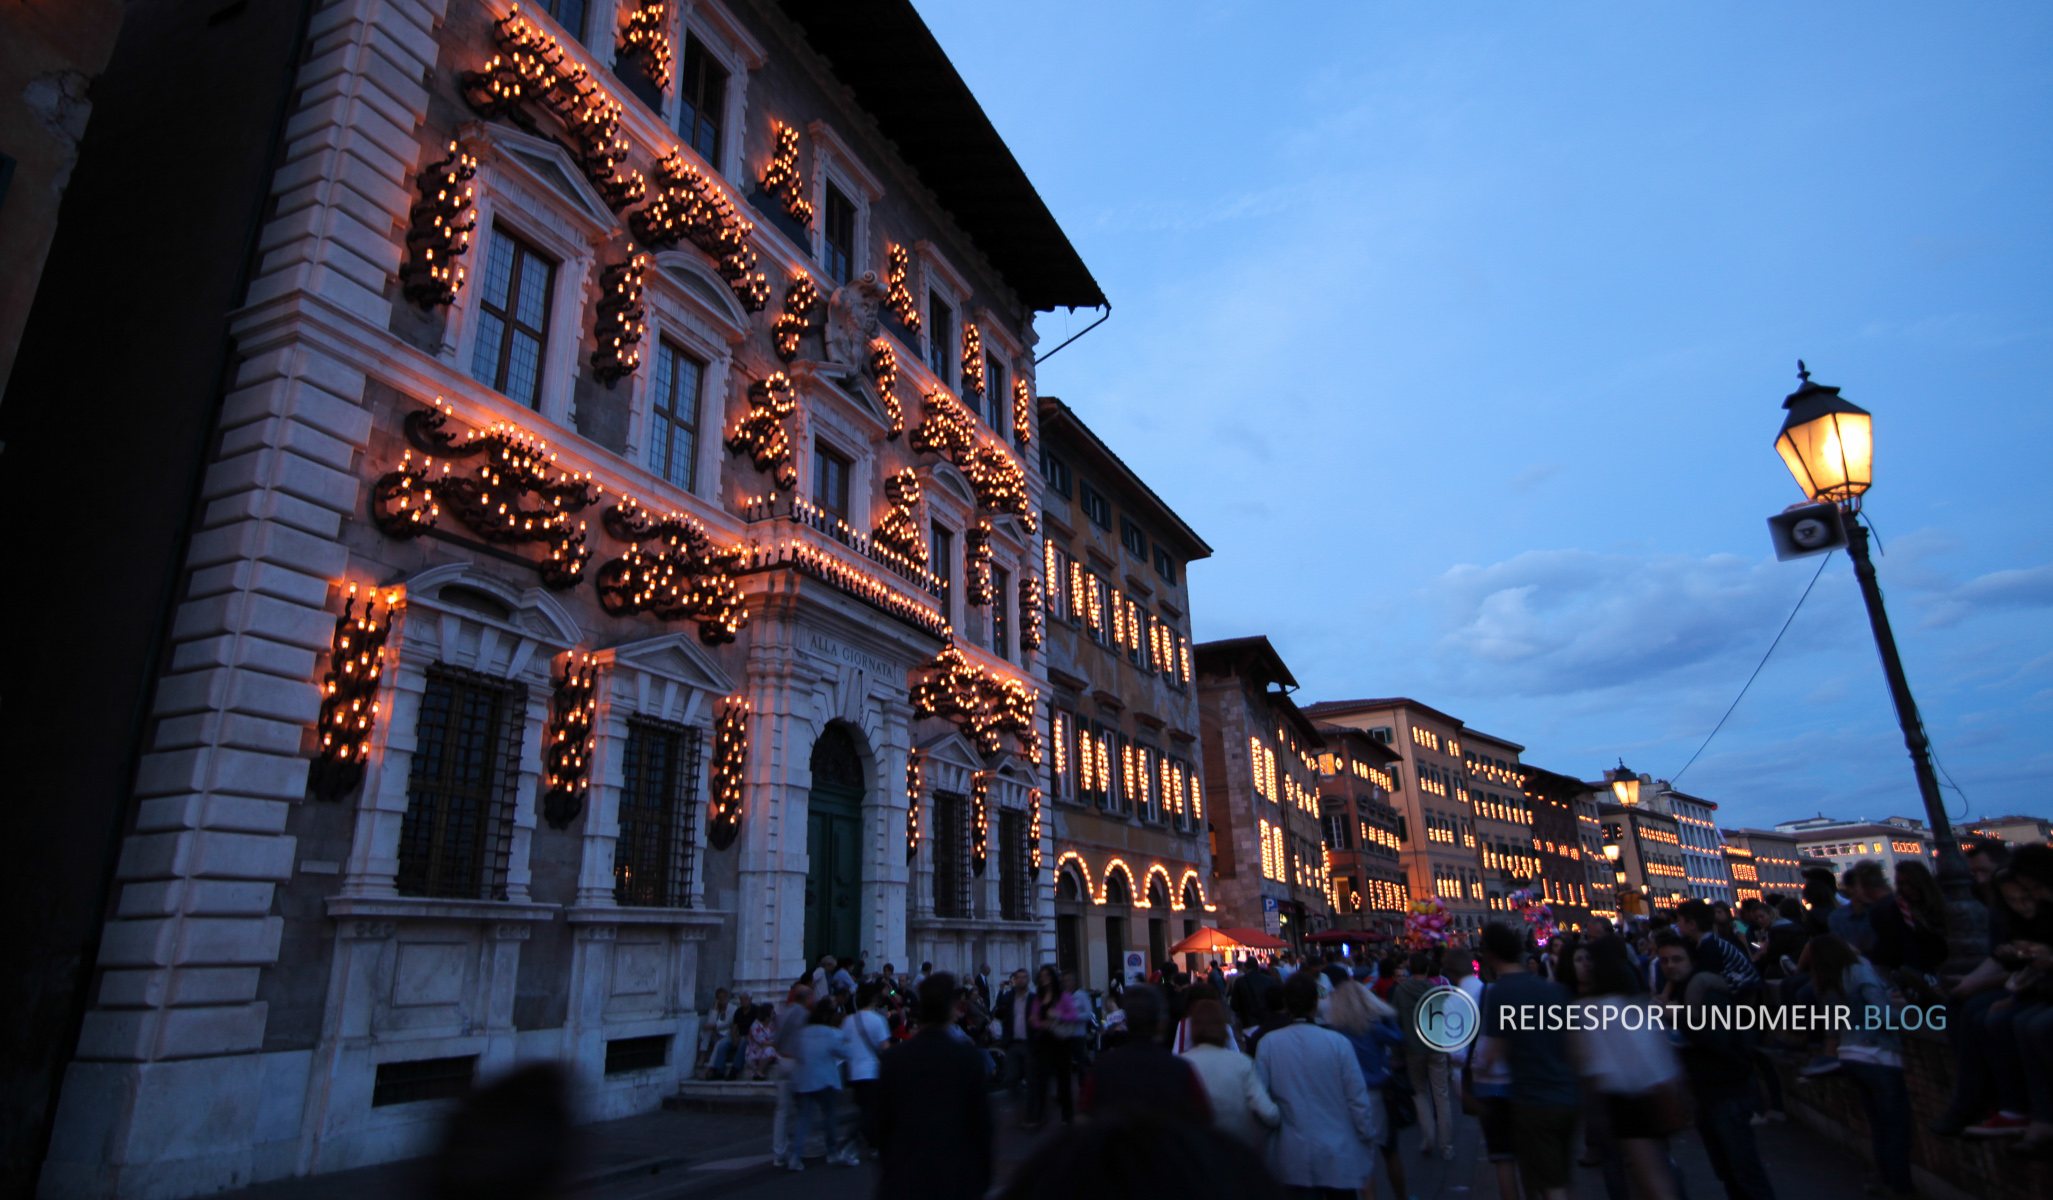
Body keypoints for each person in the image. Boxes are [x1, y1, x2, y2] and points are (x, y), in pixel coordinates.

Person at [1655, 932, 1778, 1200]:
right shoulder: (1681, 990)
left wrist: (1678, 1018)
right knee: (1728, 1171)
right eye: (1664, 960)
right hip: (1706, 1092)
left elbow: (1718, 1039)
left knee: (1744, 1172)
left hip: (1726, 1091)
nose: (1670, 965)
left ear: (1692, 960)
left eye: (1677, 959)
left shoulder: (1706, 990)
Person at [1571, 937, 1683, 1200]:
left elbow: (1584, 1059)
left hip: (1624, 1097)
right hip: (1643, 1091)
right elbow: (1652, 1052)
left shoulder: (1589, 1007)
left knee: (1649, 1175)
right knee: (1654, 1171)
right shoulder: (1629, 1004)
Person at [1476, 922, 1578, 1200]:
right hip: (1567, 1094)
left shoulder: (1501, 993)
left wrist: (1473, 1075)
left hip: (1534, 1098)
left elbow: (1492, 1053)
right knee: (1558, 1175)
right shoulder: (1553, 989)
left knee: (1549, 1183)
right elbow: (1575, 1044)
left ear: (1489, 954)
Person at [1256, 971, 1381, 1197]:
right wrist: (1366, 1135)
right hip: (1338, 1153)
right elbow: (1356, 1098)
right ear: (1316, 1003)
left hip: (1291, 1156)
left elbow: (1261, 1101)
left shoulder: (1268, 1044)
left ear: (1286, 1004)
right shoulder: (1338, 1043)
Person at [1806, 935, 1913, 1197]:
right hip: (1877, 1054)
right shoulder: (1859, 970)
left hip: (1850, 1055)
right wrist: (1917, 1015)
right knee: (1897, 1128)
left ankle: (1886, 1181)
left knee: (1878, 1127)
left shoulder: (1826, 981)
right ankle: (1900, 1187)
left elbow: (1833, 1026)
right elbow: (1883, 1014)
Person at [875, 973, 992, 1200]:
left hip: (904, 1181)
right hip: (953, 1180)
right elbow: (981, 1128)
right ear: (949, 1009)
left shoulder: (894, 1059)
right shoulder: (967, 1059)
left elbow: (883, 1127)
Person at [1082, 985, 1211, 1122]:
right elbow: (1203, 1117)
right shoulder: (1180, 1070)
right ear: (1161, 1024)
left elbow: (1084, 1117)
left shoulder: (1103, 1068)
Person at [1327, 979, 1406, 1200]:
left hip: (1350, 1095)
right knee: (1390, 1151)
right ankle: (1401, 1196)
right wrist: (1386, 1015)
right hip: (1379, 1091)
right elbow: (1398, 1037)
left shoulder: (1337, 1030)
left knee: (1362, 1157)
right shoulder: (1373, 1026)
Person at [1182, 997, 1279, 1147]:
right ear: (1223, 1026)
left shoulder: (1182, 1063)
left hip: (1195, 1150)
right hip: (1236, 1148)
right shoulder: (1241, 1062)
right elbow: (1269, 1113)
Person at [1390, 951, 1454, 1161]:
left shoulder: (1401, 991)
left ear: (1410, 969)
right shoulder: (1435, 991)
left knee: (1419, 1093)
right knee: (1441, 1095)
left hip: (1413, 1048)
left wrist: (1396, 1053)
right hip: (1435, 1047)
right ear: (1427, 970)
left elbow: (1396, 1022)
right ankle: (1447, 1146)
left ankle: (1428, 1138)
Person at [784, 998, 857, 1170]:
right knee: (829, 1116)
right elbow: (845, 1052)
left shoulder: (802, 1033)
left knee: (804, 1119)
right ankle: (832, 1152)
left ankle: (796, 1156)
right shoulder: (829, 1033)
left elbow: (795, 1052)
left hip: (804, 1080)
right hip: (825, 1079)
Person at [1026, 966, 1078, 1128]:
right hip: (1044, 1041)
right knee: (1042, 1079)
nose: (1044, 978)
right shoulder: (1038, 998)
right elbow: (1034, 1019)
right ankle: (1040, 1116)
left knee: (1064, 1080)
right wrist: (1040, 1024)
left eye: (1047, 975)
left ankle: (1067, 1115)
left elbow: (1073, 1015)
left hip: (1060, 1042)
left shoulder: (1063, 996)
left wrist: (1058, 1015)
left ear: (1053, 977)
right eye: (1041, 976)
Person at [1676, 899, 1761, 999]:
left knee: (1699, 980)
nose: (1677, 924)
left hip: (1743, 985)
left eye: (1679, 920)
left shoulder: (1711, 945)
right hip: (1742, 981)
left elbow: (1701, 971)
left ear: (1692, 924)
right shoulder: (1712, 938)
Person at [843, 981, 892, 1151]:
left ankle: (872, 1144)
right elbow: (885, 1048)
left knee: (866, 1109)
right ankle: (852, 1142)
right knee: (870, 1112)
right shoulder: (878, 1020)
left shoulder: (848, 1020)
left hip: (853, 1071)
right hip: (871, 1071)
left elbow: (843, 1045)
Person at [769, 982, 814, 1163]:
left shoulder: (784, 1013)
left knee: (782, 1110)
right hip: (797, 1062)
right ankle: (797, 1149)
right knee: (803, 1108)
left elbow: (776, 1040)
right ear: (807, 998)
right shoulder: (806, 1016)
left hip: (783, 1060)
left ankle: (779, 1152)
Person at [994, 967, 1033, 1092]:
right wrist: (1001, 990)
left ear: (1028, 979)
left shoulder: (1033, 999)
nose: (1020, 980)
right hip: (1013, 1043)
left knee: (1031, 1077)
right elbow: (1000, 1004)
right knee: (1011, 1077)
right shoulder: (1010, 997)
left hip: (1029, 1043)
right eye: (1018, 978)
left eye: (1023, 977)